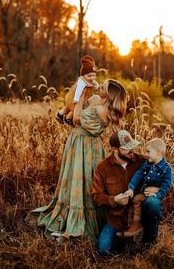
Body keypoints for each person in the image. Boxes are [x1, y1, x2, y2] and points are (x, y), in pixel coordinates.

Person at [30, 78, 127, 243]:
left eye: (102, 87)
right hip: (79, 142)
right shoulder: (98, 101)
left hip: (86, 147)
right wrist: (83, 93)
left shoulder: (103, 110)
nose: (99, 86)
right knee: (74, 180)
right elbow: (74, 114)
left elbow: (76, 119)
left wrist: (81, 94)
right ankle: (68, 213)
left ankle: (81, 222)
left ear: (108, 95)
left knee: (85, 180)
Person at [91, 130, 161, 255]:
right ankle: (124, 241)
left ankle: (149, 243)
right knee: (103, 250)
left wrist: (157, 188)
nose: (131, 151)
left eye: (131, 146)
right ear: (114, 149)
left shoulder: (142, 161)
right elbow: (96, 197)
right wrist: (114, 200)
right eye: (126, 148)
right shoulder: (102, 168)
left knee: (153, 203)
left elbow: (162, 169)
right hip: (117, 218)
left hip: (139, 215)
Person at [118, 138, 173, 238]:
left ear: (158, 152)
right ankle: (136, 223)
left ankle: (150, 236)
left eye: (148, 151)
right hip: (143, 194)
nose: (145, 154)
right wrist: (131, 188)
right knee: (136, 199)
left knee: (152, 203)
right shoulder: (147, 164)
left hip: (155, 196)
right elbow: (138, 175)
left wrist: (158, 194)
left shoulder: (166, 168)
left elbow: (167, 184)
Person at [57, 55, 99, 126]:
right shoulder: (81, 82)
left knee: (68, 108)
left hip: (79, 99)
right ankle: (68, 119)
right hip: (74, 98)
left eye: (94, 75)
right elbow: (78, 91)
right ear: (83, 75)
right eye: (89, 76)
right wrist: (76, 99)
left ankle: (60, 114)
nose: (92, 78)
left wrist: (96, 85)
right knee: (75, 110)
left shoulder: (91, 80)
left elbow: (95, 87)